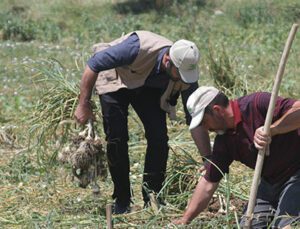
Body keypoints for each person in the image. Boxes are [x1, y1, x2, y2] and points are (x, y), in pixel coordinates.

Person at [74, 31, 210, 214]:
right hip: (117, 78)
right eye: (180, 73)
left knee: (159, 138)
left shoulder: (185, 75)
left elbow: (195, 120)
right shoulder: (136, 48)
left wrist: (208, 160)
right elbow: (94, 64)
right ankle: (122, 199)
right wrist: (83, 104)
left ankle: (152, 196)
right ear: (167, 61)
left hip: (146, 86)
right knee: (117, 138)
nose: (183, 78)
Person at [173, 86, 300, 228]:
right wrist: (185, 220)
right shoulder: (224, 142)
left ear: (217, 110)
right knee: (249, 225)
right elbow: (208, 183)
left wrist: (272, 129)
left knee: (286, 225)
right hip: (270, 182)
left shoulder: (257, 103)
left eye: (204, 122)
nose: (205, 129)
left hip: (296, 172)